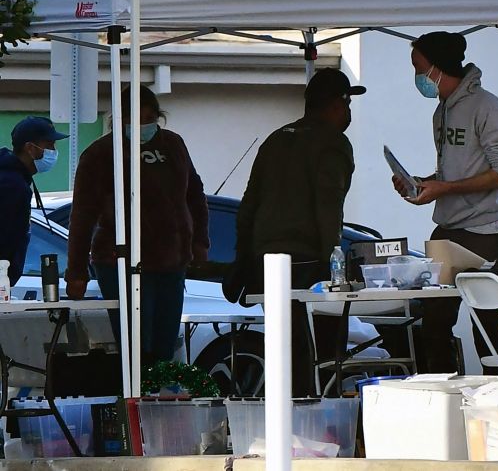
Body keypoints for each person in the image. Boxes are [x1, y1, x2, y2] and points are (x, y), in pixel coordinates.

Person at [235, 68, 364, 396]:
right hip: (308, 262)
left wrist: (243, 259)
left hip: (267, 263)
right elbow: (328, 205)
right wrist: (331, 261)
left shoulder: (276, 139)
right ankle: (320, 420)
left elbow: (248, 204)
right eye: (348, 105)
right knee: (321, 355)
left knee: (284, 349)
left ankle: (288, 420)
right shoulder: (333, 143)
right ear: (338, 104)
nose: (349, 113)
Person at [393, 31, 498, 374]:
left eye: (419, 68)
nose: (416, 77)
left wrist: (443, 188)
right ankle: (441, 395)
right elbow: (455, 171)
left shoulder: (487, 107)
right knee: (434, 321)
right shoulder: (441, 111)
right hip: (448, 230)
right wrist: (422, 184)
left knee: (486, 323)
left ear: (437, 68)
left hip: (483, 230)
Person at [66, 86, 209, 367]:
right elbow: (82, 216)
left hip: (171, 262)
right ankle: (133, 401)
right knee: (136, 350)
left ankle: (157, 398)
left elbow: (195, 195)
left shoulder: (174, 145)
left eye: (148, 121)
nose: (142, 127)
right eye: (134, 121)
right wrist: (76, 271)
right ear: (119, 120)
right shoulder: (100, 153)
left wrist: (199, 243)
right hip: (119, 262)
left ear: (158, 117)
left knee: (164, 348)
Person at [0, 117, 68, 284]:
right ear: (30, 148)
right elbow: (6, 237)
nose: (53, 151)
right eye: (49, 145)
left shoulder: (14, 178)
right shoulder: (12, 185)